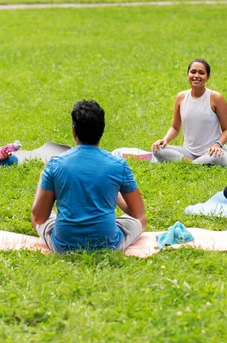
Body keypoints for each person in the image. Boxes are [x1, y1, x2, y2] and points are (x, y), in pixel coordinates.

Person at [31, 100, 147, 253]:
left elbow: (39, 217)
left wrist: (43, 179)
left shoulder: (55, 164)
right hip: (107, 244)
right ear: (102, 130)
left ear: (74, 130)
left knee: (42, 218)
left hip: (64, 245)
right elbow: (138, 213)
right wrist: (115, 194)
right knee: (141, 221)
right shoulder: (118, 165)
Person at [152, 59, 227, 165]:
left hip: (213, 152)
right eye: (193, 72)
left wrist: (217, 145)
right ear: (187, 74)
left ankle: (188, 163)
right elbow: (175, 128)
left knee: (218, 158)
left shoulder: (216, 98)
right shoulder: (181, 97)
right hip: (188, 152)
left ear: (207, 77)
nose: (196, 76)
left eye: (201, 73)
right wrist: (165, 140)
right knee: (157, 150)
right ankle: (195, 163)